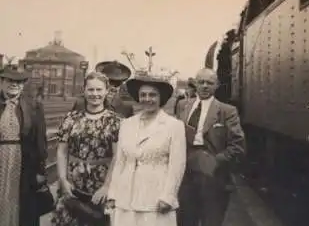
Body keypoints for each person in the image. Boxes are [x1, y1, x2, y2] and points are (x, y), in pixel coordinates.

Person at [106, 75, 186, 226]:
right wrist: (113, 193)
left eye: (152, 95)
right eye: (143, 95)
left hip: (156, 198)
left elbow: (177, 165)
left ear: (160, 98)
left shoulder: (173, 126)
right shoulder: (127, 124)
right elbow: (120, 162)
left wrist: (168, 196)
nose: (147, 99)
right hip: (125, 197)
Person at [177, 68, 246, 226]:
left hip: (212, 176)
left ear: (216, 86)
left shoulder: (227, 111)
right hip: (185, 175)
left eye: (210, 83)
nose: (205, 86)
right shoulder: (182, 106)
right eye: (201, 82)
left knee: (211, 221)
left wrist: (215, 162)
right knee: (185, 220)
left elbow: (238, 146)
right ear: (195, 84)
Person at [51, 71, 121, 226]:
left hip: (100, 189)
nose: (94, 94)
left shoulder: (115, 122)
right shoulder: (71, 119)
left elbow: (118, 156)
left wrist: (106, 187)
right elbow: (62, 152)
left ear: (106, 91)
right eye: (90, 89)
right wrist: (63, 180)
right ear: (84, 91)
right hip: (72, 186)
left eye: (99, 90)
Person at [0, 67, 48, 226]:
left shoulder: (33, 106)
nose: (14, 84)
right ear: (2, 82)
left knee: (22, 202)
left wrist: (41, 170)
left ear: (23, 85)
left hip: (22, 161)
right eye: (9, 81)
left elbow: (40, 140)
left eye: (18, 82)